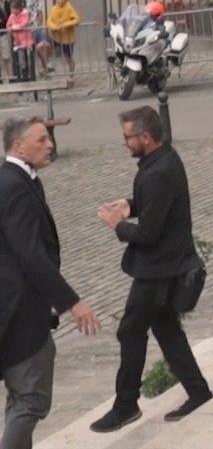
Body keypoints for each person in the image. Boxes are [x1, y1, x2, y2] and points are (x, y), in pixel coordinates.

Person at [91, 107, 212, 432]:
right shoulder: (164, 160)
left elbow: (148, 234)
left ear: (145, 137)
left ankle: (126, 405)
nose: (124, 142)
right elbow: (157, 206)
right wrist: (130, 205)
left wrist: (117, 225)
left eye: (127, 136)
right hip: (164, 266)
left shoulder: (157, 172)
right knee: (166, 328)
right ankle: (198, 391)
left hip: (158, 271)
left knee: (130, 331)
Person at [0, 116, 101, 449]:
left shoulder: (21, 179)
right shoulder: (14, 186)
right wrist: (72, 302)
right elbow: (31, 254)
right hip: (20, 312)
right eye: (42, 139)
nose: (50, 145)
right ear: (19, 146)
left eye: (49, 138)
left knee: (22, 397)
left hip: (20, 309)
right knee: (30, 398)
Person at [46, 0, 80, 88]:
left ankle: (71, 74)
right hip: (56, 36)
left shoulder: (69, 8)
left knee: (68, 57)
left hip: (67, 38)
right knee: (44, 46)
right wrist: (54, 27)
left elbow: (76, 19)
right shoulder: (54, 8)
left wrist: (65, 25)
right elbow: (49, 21)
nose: (58, 0)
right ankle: (47, 65)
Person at [22, 0, 49, 79]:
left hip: (35, 27)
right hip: (25, 28)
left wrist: (39, 25)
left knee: (40, 50)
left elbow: (40, 12)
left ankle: (46, 69)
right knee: (28, 52)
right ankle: (30, 73)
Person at [5, 0, 34, 82]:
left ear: (18, 8)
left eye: (14, 8)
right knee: (21, 59)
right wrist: (10, 28)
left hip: (27, 39)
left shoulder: (25, 14)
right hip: (18, 41)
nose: (13, 10)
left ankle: (31, 73)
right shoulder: (12, 16)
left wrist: (13, 27)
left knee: (29, 57)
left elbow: (24, 24)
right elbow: (8, 25)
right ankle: (24, 75)